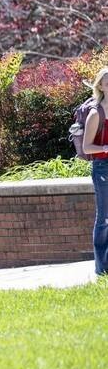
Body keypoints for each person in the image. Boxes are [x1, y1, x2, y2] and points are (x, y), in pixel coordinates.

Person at [82, 67, 108, 275]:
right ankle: (102, 269)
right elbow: (86, 147)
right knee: (105, 219)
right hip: (103, 169)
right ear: (100, 86)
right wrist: (105, 148)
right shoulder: (96, 113)